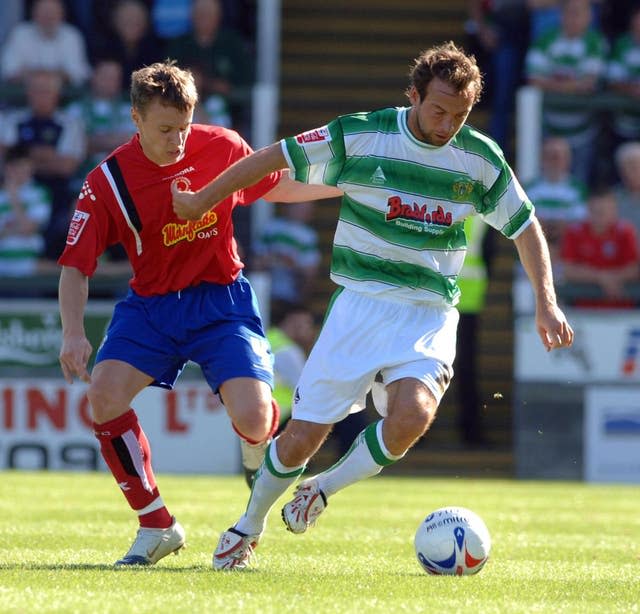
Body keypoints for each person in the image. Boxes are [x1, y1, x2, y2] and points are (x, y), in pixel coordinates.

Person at [171, 41, 574, 570]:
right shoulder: (362, 133)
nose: (447, 123)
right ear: (413, 94)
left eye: (459, 114)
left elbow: (525, 228)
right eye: (437, 109)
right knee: (299, 441)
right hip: (359, 306)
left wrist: (546, 301)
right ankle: (249, 525)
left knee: (413, 415)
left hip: (429, 311)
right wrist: (203, 199)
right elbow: (274, 157)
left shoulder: (479, 158)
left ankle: (324, 489)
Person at [57, 60, 341, 567]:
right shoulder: (107, 182)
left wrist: (346, 186)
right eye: (165, 129)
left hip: (221, 302)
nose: (178, 140)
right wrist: (73, 333)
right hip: (151, 309)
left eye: (184, 127)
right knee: (102, 397)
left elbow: (273, 185)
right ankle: (156, 526)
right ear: (136, 120)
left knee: (254, 418)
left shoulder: (223, 146)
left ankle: (257, 449)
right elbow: (76, 265)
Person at [0, 69, 86, 261]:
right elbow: (7, 159)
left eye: (46, 90)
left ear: (57, 94)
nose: (41, 96)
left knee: (66, 226)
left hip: (56, 193)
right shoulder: (13, 120)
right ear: (28, 93)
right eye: (36, 90)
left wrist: (27, 155)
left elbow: (67, 166)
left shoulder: (70, 123)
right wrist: (49, 157)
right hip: (15, 188)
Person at [525, 0, 608, 185]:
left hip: (583, 132)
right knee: (544, 183)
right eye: (570, 12)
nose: (574, 18)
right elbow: (534, 79)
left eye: (579, 13)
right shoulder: (546, 39)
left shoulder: (595, 42)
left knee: (580, 184)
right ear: (561, 15)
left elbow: (589, 83)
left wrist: (553, 83)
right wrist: (573, 85)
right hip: (549, 128)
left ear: (589, 16)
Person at [560, 185, 640, 307]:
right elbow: (568, 270)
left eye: (604, 211)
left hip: (623, 312)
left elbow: (634, 269)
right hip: (582, 312)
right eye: (595, 211)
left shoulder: (626, 232)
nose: (599, 217)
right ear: (588, 210)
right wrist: (602, 277)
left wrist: (608, 278)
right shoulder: (574, 233)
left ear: (614, 210)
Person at [0, 0, 91, 92]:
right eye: (44, 13)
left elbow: (78, 74)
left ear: (62, 15)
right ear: (34, 14)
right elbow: (9, 72)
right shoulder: (20, 33)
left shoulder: (71, 35)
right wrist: (58, 74)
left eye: (52, 13)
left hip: (64, 99)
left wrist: (31, 74)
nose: (48, 17)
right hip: (22, 99)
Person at [253, 200, 321, 311]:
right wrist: (273, 259)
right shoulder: (270, 227)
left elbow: (310, 272)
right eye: (301, 207)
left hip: (291, 296)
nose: (305, 212)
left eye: (307, 208)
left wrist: (292, 264)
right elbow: (256, 260)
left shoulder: (309, 236)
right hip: (267, 293)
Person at [0, 143, 51, 279]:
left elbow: (28, 228)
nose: (18, 171)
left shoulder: (39, 194)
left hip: (30, 267)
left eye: (23, 166)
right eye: (14, 167)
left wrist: (13, 197)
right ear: (6, 168)